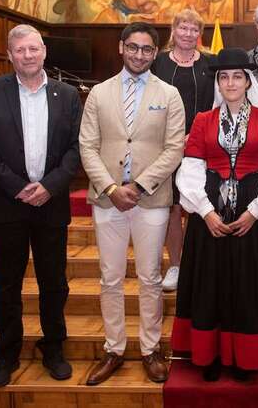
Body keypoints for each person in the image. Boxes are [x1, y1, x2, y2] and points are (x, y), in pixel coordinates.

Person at [0, 24, 82, 388]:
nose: (28, 55)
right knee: (7, 285)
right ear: (10, 54)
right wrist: (18, 187)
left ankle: (53, 350)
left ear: (44, 51)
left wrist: (49, 186)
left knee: (54, 284)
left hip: (51, 204)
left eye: (33, 49)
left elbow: (77, 149)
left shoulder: (66, 94)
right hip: (8, 204)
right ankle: (6, 355)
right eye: (20, 50)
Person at [79, 22, 185, 385]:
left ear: (155, 53)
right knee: (109, 278)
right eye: (134, 47)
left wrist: (138, 185)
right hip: (107, 200)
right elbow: (87, 147)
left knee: (150, 277)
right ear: (121, 48)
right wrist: (110, 188)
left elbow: (174, 148)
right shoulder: (99, 93)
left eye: (147, 49)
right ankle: (114, 348)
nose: (140, 54)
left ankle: (150, 349)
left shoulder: (169, 94)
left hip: (151, 199)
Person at [172, 48, 258, 382]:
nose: (230, 82)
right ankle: (210, 355)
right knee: (211, 282)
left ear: (248, 82)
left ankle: (246, 358)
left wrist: (255, 212)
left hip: (253, 212)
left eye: (237, 76)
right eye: (224, 77)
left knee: (248, 283)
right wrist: (205, 213)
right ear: (218, 83)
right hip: (210, 211)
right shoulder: (203, 121)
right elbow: (190, 170)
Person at [153, 9, 216, 292]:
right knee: (173, 207)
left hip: (204, 144)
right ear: (174, 31)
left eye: (194, 29)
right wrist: (175, 137)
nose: (188, 34)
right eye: (183, 28)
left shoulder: (211, 64)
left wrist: (195, 135)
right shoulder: (158, 64)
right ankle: (176, 265)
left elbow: (218, 103)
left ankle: (199, 265)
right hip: (165, 146)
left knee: (199, 206)